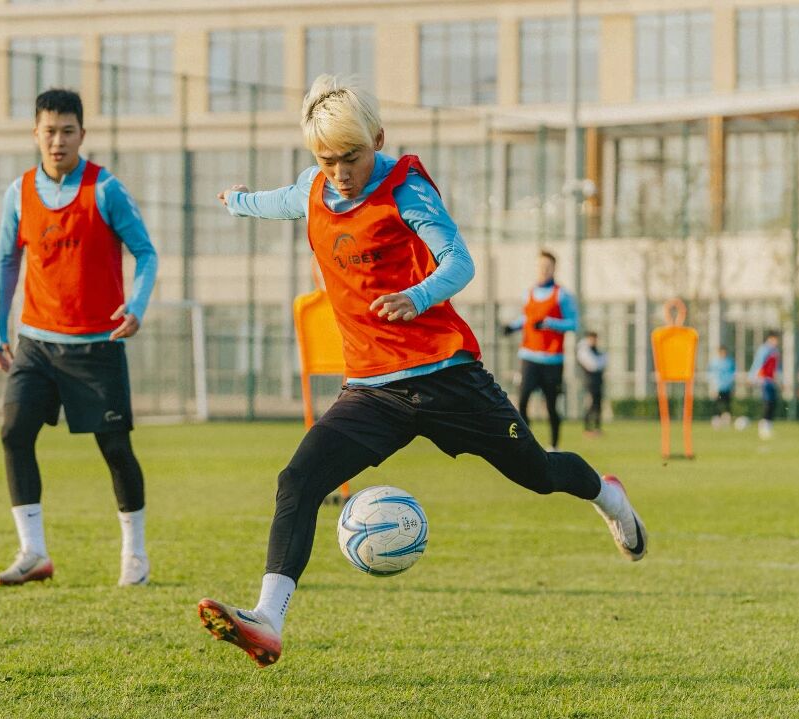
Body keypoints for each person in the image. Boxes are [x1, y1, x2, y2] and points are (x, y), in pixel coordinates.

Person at [196, 75, 647, 668]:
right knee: (298, 481)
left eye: (352, 157)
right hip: (372, 391)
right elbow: (279, 200)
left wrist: (418, 296)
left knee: (538, 473)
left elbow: (459, 261)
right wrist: (237, 201)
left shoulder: (405, 188)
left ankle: (609, 497)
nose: (340, 172)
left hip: (447, 379)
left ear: (378, 140)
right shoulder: (314, 189)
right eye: (327, 160)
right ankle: (269, 621)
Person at [0, 88, 159, 587]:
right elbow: (6, 262)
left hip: (96, 346)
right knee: (14, 432)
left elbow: (146, 253)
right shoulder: (19, 192)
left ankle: (135, 555)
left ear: (82, 134)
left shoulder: (105, 190)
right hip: (36, 344)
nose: (57, 141)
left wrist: (136, 307)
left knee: (116, 449)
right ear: (35, 134)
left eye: (67, 131)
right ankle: (33, 553)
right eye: (49, 131)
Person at [501, 251, 579, 451]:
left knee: (551, 405)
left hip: (553, 359)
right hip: (529, 357)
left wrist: (549, 323)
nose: (543, 270)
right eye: (540, 266)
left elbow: (573, 323)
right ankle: (526, 446)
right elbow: (526, 319)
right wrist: (512, 327)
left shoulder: (562, 295)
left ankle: (554, 446)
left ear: (554, 269)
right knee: (523, 401)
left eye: (547, 267)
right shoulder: (528, 294)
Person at [749, 331, 781, 440]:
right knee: (767, 402)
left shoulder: (775, 351)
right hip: (764, 380)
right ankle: (763, 426)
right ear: (770, 338)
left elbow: (775, 367)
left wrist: (778, 378)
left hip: (771, 380)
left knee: (772, 402)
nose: (777, 341)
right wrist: (753, 377)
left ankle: (768, 425)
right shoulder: (764, 350)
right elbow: (758, 364)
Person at [576, 331, 606, 437]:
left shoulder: (596, 351)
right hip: (589, 382)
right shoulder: (583, 351)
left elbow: (602, 362)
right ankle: (587, 428)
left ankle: (597, 428)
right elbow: (593, 365)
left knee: (598, 405)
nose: (594, 341)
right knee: (590, 404)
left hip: (598, 381)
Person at [708, 345, 736, 428]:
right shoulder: (714, 362)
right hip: (718, 387)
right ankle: (716, 419)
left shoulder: (730, 362)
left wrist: (733, 387)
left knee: (727, 403)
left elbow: (733, 374)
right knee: (717, 403)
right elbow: (711, 375)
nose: (724, 354)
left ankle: (726, 420)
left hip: (727, 387)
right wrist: (713, 387)